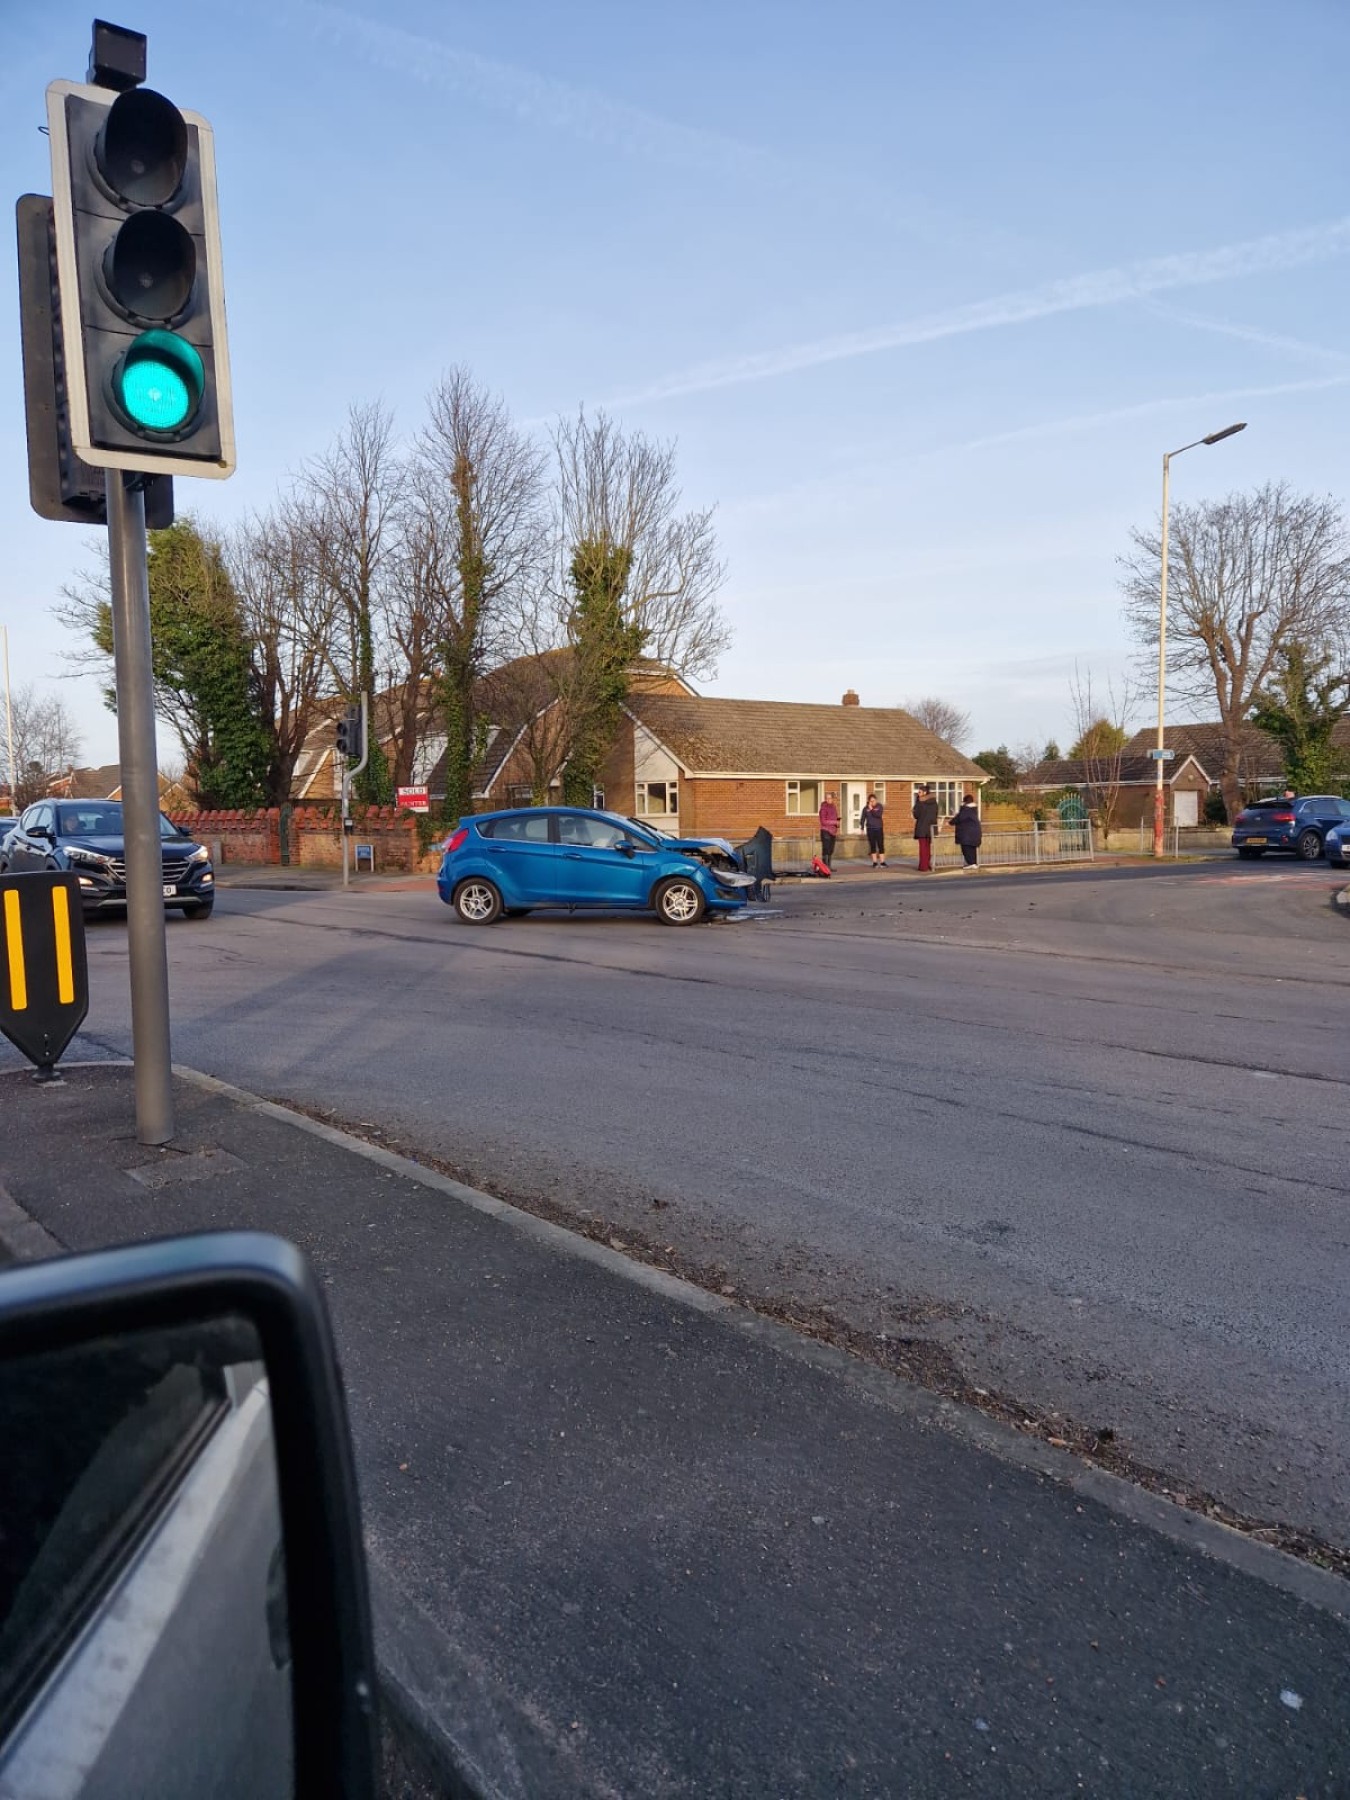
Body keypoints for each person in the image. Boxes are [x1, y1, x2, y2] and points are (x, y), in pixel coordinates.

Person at [950, 793, 982, 870]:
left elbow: (959, 818)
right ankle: (973, 863)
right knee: (972, 848)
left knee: (966, 848)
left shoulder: (966, 810)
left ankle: (971, 863)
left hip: (967, 834)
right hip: (974, 833)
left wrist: (950, 822)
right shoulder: (973, 809)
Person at [912, 783, 939, 872]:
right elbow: (935, 814)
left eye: (919, 792)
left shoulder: (920, 802)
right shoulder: (934, 802)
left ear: (924, 792)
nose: (918, 794)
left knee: (923, 848)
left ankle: (923, 866)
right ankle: (927, 864)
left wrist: (916, 806)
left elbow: (916, 815)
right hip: (931, 828)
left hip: (922, 828)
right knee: (928, 848)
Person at [861, 793, 886, 866]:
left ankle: (882, 862)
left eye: (874, 801)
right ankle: (875, 862)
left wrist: (871, 809)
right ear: (868, 801)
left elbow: (878, 815)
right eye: (871, 801)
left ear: (876, 800)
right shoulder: (865, 809)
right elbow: (863, 818)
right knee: (872, 846)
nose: (873, 802)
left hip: (879, 828)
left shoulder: (879, 806)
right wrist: (862, 828)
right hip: (870, 829)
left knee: (880, 845)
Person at [818, 791, 840, 868]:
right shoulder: (823, 808)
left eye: (830, 798)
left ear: (832, 799)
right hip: (825, 831)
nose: (828, 800)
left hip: (833, 832)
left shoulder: (833, 807)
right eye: (827, 798)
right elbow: (823, 821)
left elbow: (834, 817)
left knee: (831, 850)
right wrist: (834, 822)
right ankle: (825, 867)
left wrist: (837, 822)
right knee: (826, 849)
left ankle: (829, 867)